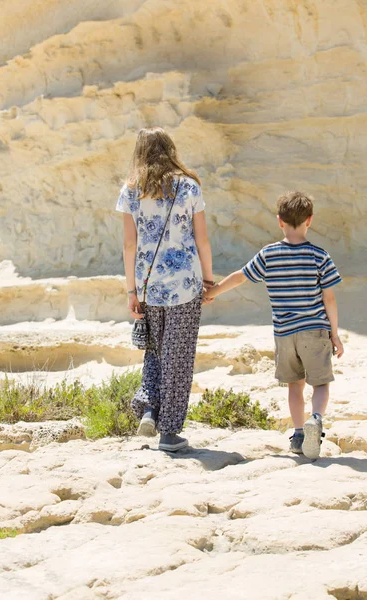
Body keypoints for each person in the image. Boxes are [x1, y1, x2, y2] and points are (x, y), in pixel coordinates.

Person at [204, 191, 344, 460]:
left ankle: (299, 433)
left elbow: (241, 277)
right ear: (310, 220)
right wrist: (334, 334)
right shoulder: (319, 255)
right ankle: (316, 418)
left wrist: (213, 292)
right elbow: (330, 298)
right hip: (314, 329)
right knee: (321, 383)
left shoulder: (269, 254)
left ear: (279, 221)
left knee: (295, 385)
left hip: (284, 334)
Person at [116, 127, 213, 452]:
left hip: (148, 286)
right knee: (179, 357)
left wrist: (131, 291)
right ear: (170, 150)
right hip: (185, 284)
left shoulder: (131, 190)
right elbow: (202, 239)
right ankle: (169, 433)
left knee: (155, 351)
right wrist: (209, 280)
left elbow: (130, 245)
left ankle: (148, 407)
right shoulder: (188, 187)